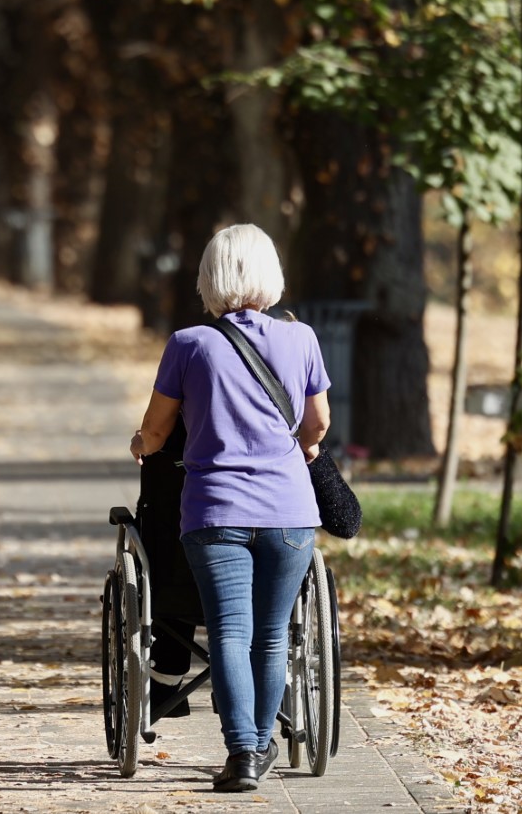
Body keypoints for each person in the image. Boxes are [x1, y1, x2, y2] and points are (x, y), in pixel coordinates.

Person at [128, 223, 330, 793]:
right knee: (271, 635)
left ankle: (243, 753)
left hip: (216, 512)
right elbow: (316, 426)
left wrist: (141, 444)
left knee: (229, 632)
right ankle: (262, 742)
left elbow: (158, 430)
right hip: (290, 512)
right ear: (271, 275)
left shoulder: (190, 345)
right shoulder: (302, 340)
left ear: (208, 278)